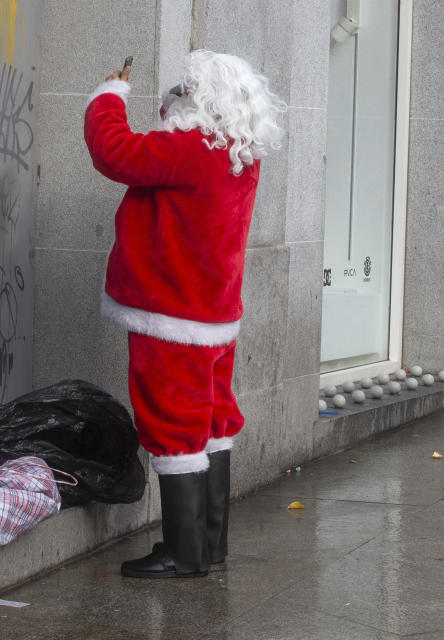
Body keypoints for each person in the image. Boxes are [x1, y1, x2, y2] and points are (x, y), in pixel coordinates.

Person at [84, 50, 286, 578]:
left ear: (199, 98)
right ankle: (208, 547)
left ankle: (183, 554)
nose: (174, 97)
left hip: (170, 314)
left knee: (172, 422)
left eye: (183, 90)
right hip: (214, 316)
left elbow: (115, 152)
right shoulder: (239, 153)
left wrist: (110, 95)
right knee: (213, 421)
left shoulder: (187, 148)